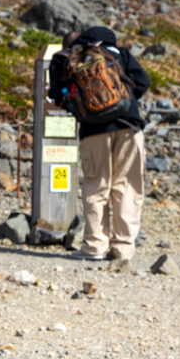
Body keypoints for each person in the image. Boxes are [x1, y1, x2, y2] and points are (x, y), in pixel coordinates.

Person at [48, 26, 151, 261]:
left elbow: (56, 94)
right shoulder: (119, 54)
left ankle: (94, 247)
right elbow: (143, 82)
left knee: (96, 186)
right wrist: (123, 101)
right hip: (128, 126)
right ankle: (123, 248)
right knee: (127, 187)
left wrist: (84, 110)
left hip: (92, 131)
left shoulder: (65, 59)